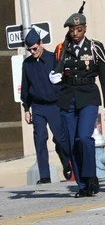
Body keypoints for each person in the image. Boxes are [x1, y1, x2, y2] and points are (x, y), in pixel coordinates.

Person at [50, 9, 105, 197]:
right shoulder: (62, 49)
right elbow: (57, 72)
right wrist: (54, 77)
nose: (75, 33)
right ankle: (82, 184)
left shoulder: (95, 47)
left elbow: (104, 77)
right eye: (72, 30)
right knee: (71, 143)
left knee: (84, 138)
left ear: (85, 29)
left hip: (88, 97)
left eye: (78, 29)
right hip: (68, 98)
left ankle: (91, 176)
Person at [21, 29, 71, 184]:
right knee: (40, 138)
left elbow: (64, 81)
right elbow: (25, 87)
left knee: (61, 139)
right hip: (38, 107)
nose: (32, 51)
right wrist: (26, 109)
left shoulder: (53, 59)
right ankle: (44, 176)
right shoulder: (27, 64)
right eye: (29, 49)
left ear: (41, 43)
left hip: (55, 105)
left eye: (34, 48)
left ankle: (66, 162)